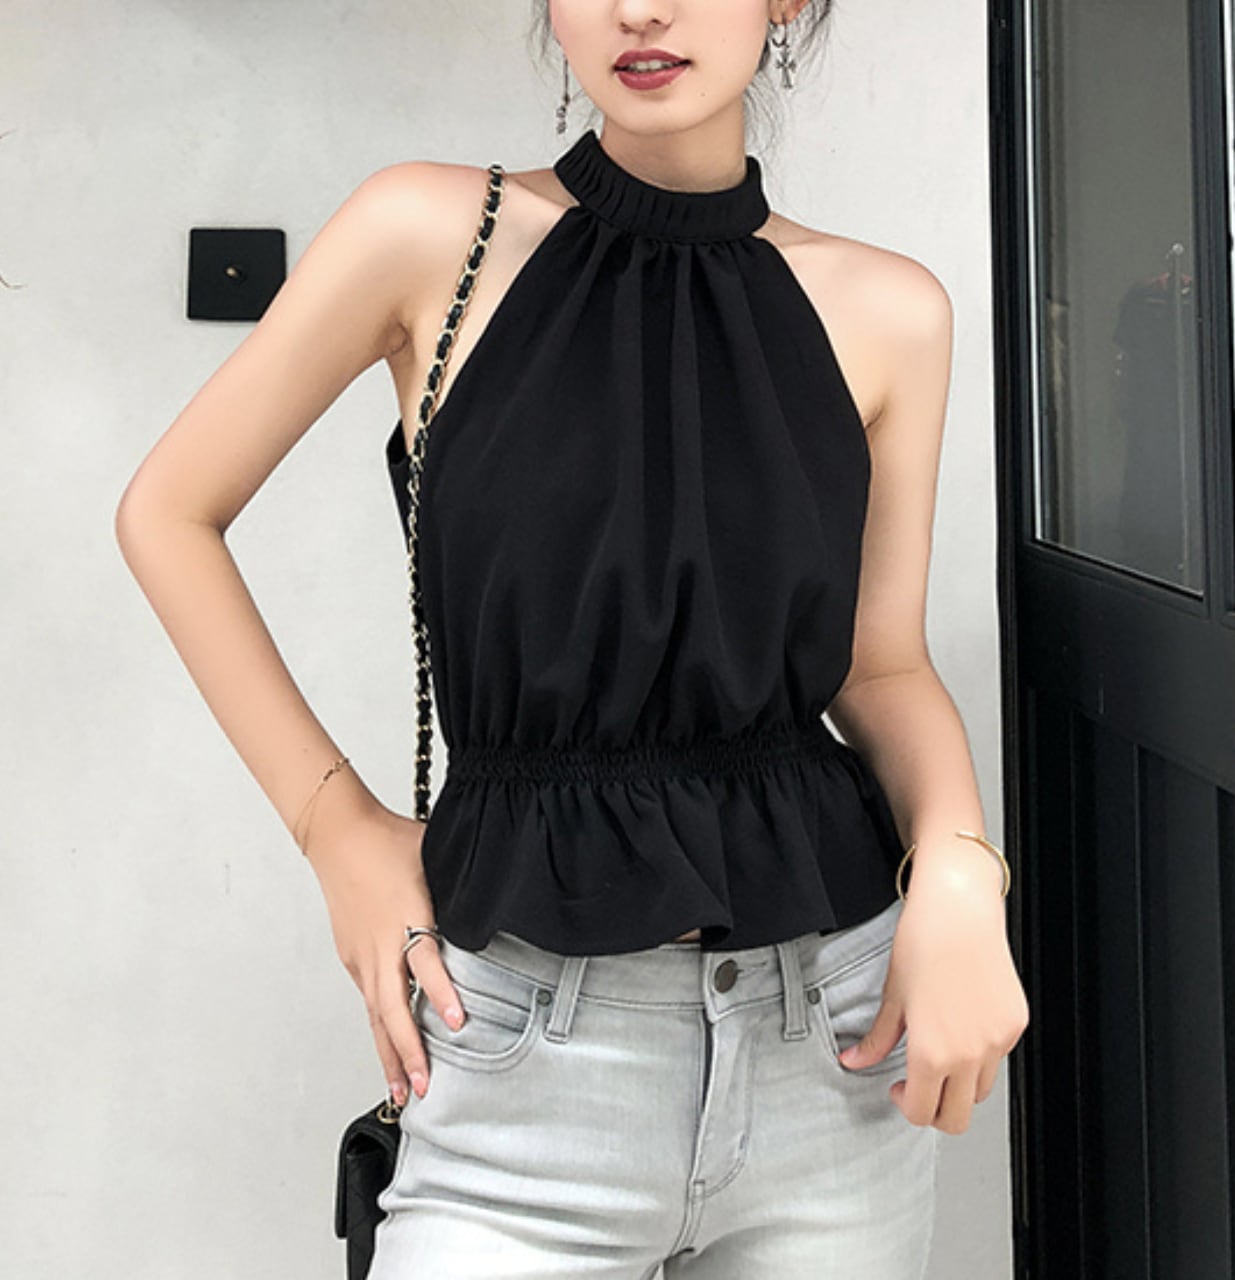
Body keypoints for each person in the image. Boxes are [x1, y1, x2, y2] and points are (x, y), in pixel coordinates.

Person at [115, 1, 1030, 1275]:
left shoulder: (889, 310)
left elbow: (878, 665)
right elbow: (167, 512)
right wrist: (337, 828)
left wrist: (959, 866)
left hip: (827, 1049)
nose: (639, 8)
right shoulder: (427, 234)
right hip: (518, 1062)